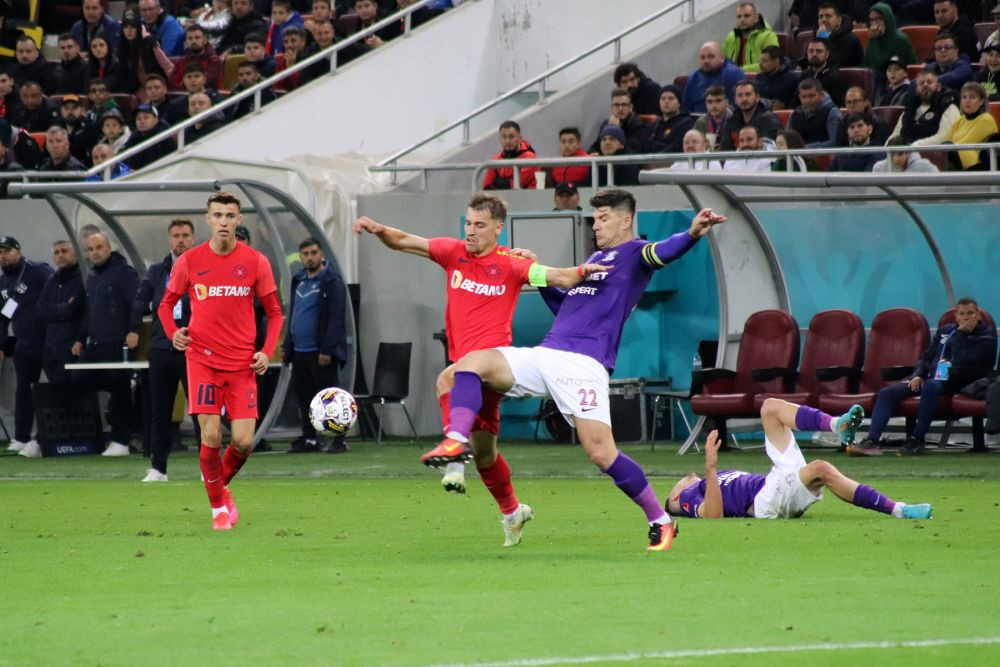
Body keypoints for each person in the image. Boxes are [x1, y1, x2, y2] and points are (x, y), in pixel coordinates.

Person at [423, 193, 726, 552]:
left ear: (625, 221)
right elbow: (566, 308)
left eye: (602, 217)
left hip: (583, 365)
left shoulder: (634, 253)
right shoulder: (595, 260)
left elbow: (663, 252)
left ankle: (660, 520)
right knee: (469, 365)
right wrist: (543, 273)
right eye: (594, 218)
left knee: (601, 454)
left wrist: (692, 233)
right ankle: (457, 440)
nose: (595, 224)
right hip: (547, 352)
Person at [354, 194, 605, 506]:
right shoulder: (452, 252)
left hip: (492, 366)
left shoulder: (513, 263)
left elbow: (560, 277)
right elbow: (404, 241)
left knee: (447, 380)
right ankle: (513, 512)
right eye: (468, 223)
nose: (470, 231)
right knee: (486, 454)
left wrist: (587, 269)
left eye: (479, 225)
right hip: (469, 380)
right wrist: (379, 229)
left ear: (498, 227)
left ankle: (455, 457)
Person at [157, 191, 284, 531]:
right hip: (203, 361)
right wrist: (173, 334)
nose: (224, 221)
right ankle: (218, 510)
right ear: (208, 219)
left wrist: (266, 350)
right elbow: (165, 305)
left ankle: (219, 486)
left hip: (243, 363)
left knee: (243, 441)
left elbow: (274, 314)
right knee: (211, 437)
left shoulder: (256, 262)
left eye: (230, 215)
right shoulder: (189, 261)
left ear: (238, 219)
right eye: (218, 215)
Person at [665, 399, 934, 520]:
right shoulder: (688, 496)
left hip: (772, 481)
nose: (682, 480)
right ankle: (899, 509)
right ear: (675, 498)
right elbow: (713, 515)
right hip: (764, 502)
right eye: (675, 486)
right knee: (822, 469)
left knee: (769, 407)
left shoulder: (705, 484)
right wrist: (710, 469)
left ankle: (836, 424)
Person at [852, 297, 996, 457]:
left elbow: (963, 358)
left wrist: (961, 335)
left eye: (970, 313)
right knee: (887, 393)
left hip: (960, 381)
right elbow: (927, 357)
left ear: (978, 315)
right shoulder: (945, 332)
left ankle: (916, 439)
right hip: (934, 377)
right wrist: (918, 375)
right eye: (962, 314)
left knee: (931, 386)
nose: (966, 317)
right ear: (956, 316)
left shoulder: (986, 337)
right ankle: (872, 442)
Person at [129, 219, 199, 482]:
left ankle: (208, 468)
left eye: (185, 235)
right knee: (159, 409)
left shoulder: (203, 267)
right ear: (169, 239)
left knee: (201, 408)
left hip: (193, 347)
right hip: (161, 346)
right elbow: (140, 298)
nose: (180, 240)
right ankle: (159, 467)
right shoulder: (157, 271)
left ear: (193, 238)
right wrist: (134, 326)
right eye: (175, 236)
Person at [73, 232, 141, 457]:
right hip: (96, 342)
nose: (95, 252)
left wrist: (134, 329)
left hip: (118, 341)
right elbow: (89, 310)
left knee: (119, 386)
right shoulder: (92, 276)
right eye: (90, 249)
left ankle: (121, 440)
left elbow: (137, 302)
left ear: (108, 247)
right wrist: (80, 338)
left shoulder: (124, 272)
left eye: (99, 247)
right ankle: (121, 396)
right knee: (78, 378)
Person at [282, 238, 348, 454]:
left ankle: (339, 439)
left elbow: (336, 317)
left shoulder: (331, 280)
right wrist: (288, 345)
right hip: (300, 351)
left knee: (329, 397)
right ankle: (310, 438)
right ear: (301, 257)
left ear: (321, 255)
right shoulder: (298, 280)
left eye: (313, 253)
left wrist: (327, 349)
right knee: (305, 397)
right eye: (306, 254)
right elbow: (293, 314)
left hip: (320, 352)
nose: (310, 257)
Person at [0, 236, 53, 457]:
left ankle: (50, 435)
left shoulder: (38, 270)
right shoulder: (3, 283)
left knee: (57, 385)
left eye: (7, 250)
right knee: (23, 391)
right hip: (24, 343)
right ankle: (21, 437)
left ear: (18, 251)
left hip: (48, 340)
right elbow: (2, 318)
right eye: (1, 252)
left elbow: (57, 289)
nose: (4, 255)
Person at [37, 240, 85, 390]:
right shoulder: (52, 280)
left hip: (71, 345)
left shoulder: (82, 278)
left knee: (68, 390)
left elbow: (71, 310)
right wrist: (62, 309)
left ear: (75, 254)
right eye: (56, 252)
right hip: (50, 347)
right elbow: (40, 310)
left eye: (64, 251)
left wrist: (55, 309)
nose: (60, 255)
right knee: (54, 391)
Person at [888, 71, 960, 146]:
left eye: (929, 82)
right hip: (903, 154)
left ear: (938, 87)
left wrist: (915, 146)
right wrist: (888, 147)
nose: (925, 85)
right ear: (916, 89)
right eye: (921, 83)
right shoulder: (910, 107)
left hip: (932, 154)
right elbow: (895, 134)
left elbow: (944, 138)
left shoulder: (949, 107)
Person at [946, 81, 998, 170]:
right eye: (964, 97)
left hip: (973, 163)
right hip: (953, 156)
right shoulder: (960, 120)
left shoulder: (986, 119)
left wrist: (948, 149)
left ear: (981, 101)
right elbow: (947, 139)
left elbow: (968, 142)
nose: (967, 101)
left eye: (972, 97)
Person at [681, 41, 745, 113]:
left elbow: (737, 105)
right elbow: (686, 108)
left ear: (722, 58)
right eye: (702, 58)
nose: (706, 61)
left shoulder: (732, 74)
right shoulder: (693, 77)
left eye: (711, 56)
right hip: (696, 120)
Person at [720, 79, 781, 151]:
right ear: (735, 100)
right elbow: (725, 151)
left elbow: (772, 151)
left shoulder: (770, 121)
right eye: (740, 95)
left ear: (757, 97)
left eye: (748, 94)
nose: (744, 99)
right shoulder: (731, 121)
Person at [588, 88, 647, 155]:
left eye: (624, 105)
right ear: (612, 108)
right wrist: (593, 153)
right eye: (616, 105)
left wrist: (616, 129)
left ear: (631, 107)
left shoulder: (638, 125)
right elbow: (595, 146)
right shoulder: (607, 123)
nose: (620, 109)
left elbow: (632, 150)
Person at [638, 84, 696, 154]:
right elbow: (641, 147)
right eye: (663, 98)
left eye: (671, 98)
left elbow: (677, 147)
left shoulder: (687, 124)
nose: (666, 101)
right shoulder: (652, 125)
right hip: (647, 162)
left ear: (679, 103)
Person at [722, 3, 779, 73]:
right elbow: (721, 61)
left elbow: (769, 64)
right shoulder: (730, 37)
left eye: (747, 16)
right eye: (739, 17)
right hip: (733, 78)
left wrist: (739, 70)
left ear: (756, 18)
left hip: (758, 79)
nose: (742, 20)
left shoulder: (768, 36)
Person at [482, 120, 538, 190]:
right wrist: (505, 183)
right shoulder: (495, 159)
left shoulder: (530, 158)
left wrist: (498, 182)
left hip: (527, 199)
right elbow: (486, 187)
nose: (507, 141)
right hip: (499, 199)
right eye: (504, 137)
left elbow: (516, 185)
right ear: (499, 138)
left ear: (520, 138)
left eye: (511, 137)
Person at [863, 4, 918, 74]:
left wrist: (872, 39)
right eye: (872, 20)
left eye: (879, 19)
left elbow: (878, 66)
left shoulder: (899, 39)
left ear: (888, 19)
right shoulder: (876, 37)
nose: (875, 23)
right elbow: (866, 64)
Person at [788, 78, 842, 148]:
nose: (807, 100)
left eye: (811, 96)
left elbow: (835, 143)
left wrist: (805, 149)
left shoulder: (832, 113)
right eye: (804, 97)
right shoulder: (795, 114)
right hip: (798, 157)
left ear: (821, 95)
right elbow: (787, 140)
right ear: (799, 97)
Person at [169, 24, 223, 92]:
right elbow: (172, 83)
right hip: (182, 98)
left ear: (205, 40)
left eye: (197, 38)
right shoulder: (181, 62)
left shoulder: (214, 61)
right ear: (185, 41)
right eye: (190, 38)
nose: (193, 41)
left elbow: (207, 83)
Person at [123, 103, 175, 170]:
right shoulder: (134, 137)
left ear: (156, 120)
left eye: (146, 118)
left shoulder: (164, 138)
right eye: (138, 119)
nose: (142, 121)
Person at [799, 38, 847, 107]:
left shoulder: (835, 78)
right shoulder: (804, 75)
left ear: (827, 54)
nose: (814, 54)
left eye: (819, 51)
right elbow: (795, 104)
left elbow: (839, 107)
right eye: (811, 51)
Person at [815, 2, 864, 67]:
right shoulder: (818, 35)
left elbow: (835, 64)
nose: (823, 20)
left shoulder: (850, 39)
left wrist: (823, 39)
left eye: (828, 16)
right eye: (821, 17)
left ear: (839, 20)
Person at [755, 46, 799, 110]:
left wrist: (785, 106)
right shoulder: (759, 78)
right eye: (760, 61)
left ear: (776, 61)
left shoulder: (792, 79)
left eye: (764, 61)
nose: (760, 64)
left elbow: (797, 103)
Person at [693, 85, 732, 150]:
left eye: (718, 101)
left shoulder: (735, 120)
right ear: (706, 104)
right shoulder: (701, 122)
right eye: (710, 102)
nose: (714, 106)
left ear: (727, 102)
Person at [872, 136, 940, 171]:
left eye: (900, 154)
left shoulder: (924, 166)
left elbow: (940, 186)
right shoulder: (879, 168)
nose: (896, 159)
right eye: (892, 154)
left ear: (907, 152)